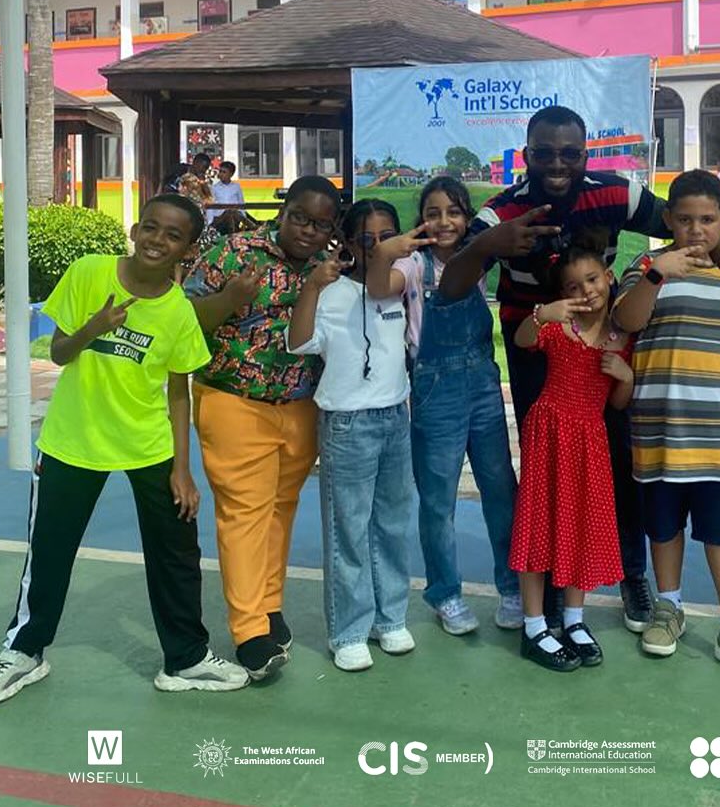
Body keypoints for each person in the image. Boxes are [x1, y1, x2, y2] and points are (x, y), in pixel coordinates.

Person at [439, 105, 720, 634]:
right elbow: (450, 286)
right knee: (549, 471)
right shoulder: (502, 212)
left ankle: (631, 573)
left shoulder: (617, 194)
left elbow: (695, 229)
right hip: (542, 355)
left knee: (620, 462)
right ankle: (553, 585)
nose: (558, 163)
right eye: (545, 153)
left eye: (570, 153)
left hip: (607, 346)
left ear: (585, 155)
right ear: (526, 155)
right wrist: (489, 244)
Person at [0, 194, 248, 706]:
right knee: (50, 550)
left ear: (188, 250)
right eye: (151, 227)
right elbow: (59, 353)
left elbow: (178, 392)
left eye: (173, 235)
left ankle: (186, 658)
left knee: (176, 552)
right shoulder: (89, 272)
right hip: (74, 441)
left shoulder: (178, 311)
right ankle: (25, 652)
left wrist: (182, 469)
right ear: (135, 229)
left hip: (148, 445)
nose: (158, 240)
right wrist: (94, 327)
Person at [612, 170, 720, 686]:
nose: (696, 230)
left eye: (707, 220)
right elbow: (627, 321)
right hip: (660, 426)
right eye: (685, 219)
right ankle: (668, 607)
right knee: (663, 526)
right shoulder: (646, 267)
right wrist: (655, 274)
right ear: (668, 220)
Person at [184, 176, 340, 682]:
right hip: (235, 400)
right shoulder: (234, 252)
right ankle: (250, 630)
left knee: (280, 511)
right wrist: (230, 299)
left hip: (300, 406)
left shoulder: (327, 268)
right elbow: (184, 318)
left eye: (321, 225)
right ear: (282, 210)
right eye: (300, 218)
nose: (308, 231)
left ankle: (269, 606)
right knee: (245, 514)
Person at [366, 176, 521, 636]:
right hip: (435, 390)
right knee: (438, 500)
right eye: (433, 213)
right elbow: (379, 288)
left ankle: (513, 587)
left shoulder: (479, 258)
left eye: (454, 212)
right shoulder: (413, 265)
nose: (444, 221)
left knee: (501, 490)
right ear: (421, 221)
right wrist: (385, 251)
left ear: (468, 218)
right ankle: (445, 594)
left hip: (483, 384)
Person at [289, 199, 426, 672]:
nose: (378, 246)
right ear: (348, 243)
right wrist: (311, 286)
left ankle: (390, 618)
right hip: (348, 424)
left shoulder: (398, 283)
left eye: (387, 237)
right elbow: (299, 342)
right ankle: (348, 629)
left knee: (393, 524)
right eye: (367, 239)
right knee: (348, 529)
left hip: (395, 417)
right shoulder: (332, 291)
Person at [512, 242, 634, 671]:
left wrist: (627, 378)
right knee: (538, 525)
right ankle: (533, 626)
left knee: (580, 525)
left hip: (590, 441)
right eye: (573, 286)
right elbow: (522, 340)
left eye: (592, 279)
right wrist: (540, 314)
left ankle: (573, 620)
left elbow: (617, 403)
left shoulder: (621, 339)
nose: (586, 291)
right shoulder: (559, 327)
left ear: (609, 277)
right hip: (550, 433)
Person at [206, 160, 250, 231]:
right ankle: (253, 226)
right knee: (229, 212)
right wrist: (210, 223)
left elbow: (241, 203)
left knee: (232, 212)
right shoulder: (214, 188)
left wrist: (243, 218)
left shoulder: (236, 187)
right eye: (220, 171)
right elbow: (210, 206)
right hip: (220, 218)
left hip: (235, 217)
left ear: (231, 174)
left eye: (224, 172)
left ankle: (249, 225)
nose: (221, 174)